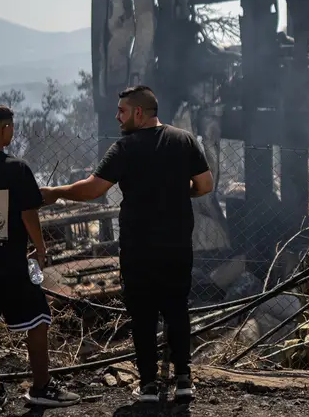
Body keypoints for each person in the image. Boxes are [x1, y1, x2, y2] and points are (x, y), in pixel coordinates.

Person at [41, 85, 214, 403]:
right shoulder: (184, 140)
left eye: (121, 111)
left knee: (143, 314)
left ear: (138, 112)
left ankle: (148, 384)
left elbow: (93, 189)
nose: (117, 117)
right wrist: (176, 191)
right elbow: (205, 185)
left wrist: (56, 192)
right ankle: (184, 381)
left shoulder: (125, 147)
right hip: (177, 245)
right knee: (177, 310)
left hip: (138, 248)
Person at [0, 104, 80, 412]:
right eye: (12, 126)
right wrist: (41, 247)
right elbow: (28, 212)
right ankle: (41, 388)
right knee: (38, 320)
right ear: (5, 129)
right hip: (10, 265)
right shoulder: (16, 168)